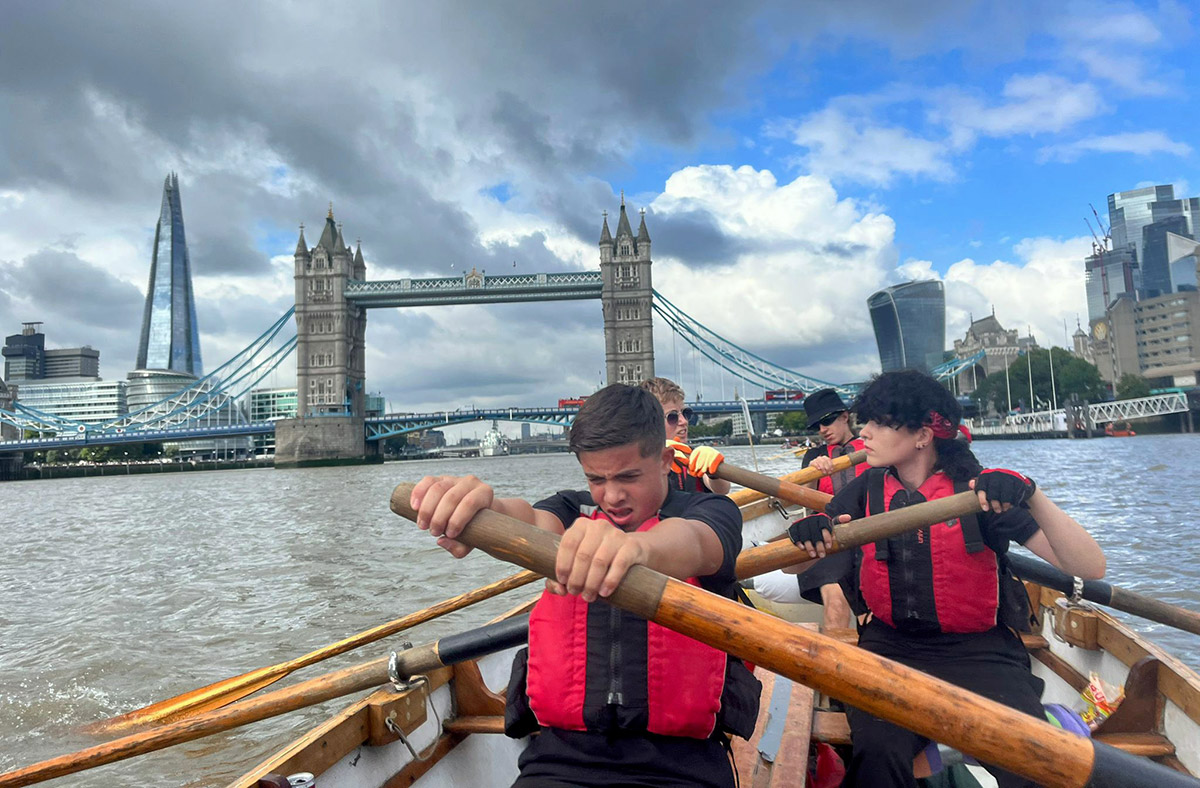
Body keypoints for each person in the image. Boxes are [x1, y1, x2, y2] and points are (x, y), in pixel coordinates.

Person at [410, 384, 761, 788]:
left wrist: (634, 549)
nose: (612, 497)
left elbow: (697, 544)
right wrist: (483, 513)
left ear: (665, 460)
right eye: (596, 478)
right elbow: (527, 522)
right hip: (560, 761)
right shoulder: (573, 510)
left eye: (629, 477)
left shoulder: (710, 510)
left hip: (681, 766)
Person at [789, 369, 1105, 788]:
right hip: (891, 646)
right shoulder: (868, 487)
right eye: (866, 421)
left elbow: (1089, 568)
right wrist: (808, 532)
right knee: (878, 757)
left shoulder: (977, 493)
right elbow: (791, 566)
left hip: (980, 651)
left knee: (1031, 762)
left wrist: (1032, 493)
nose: (864, 432)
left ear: (922, 435)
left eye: (880, 422)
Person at [753, 389, 870, 629]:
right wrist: (814, 473)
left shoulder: (872, 447)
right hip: (828, 540)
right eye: (817, 425)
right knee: (836, 600)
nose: (822, 430)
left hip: (870, 536)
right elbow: (806, 503)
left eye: (827, 421)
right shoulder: (814, 456)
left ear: (845, 417)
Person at [639, 376, 731, 496]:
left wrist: (713, 472)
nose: (684, 421)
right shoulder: (636, 463)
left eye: (685, 413)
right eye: (672, 417)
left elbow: (722, 490)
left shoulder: (693, 457)